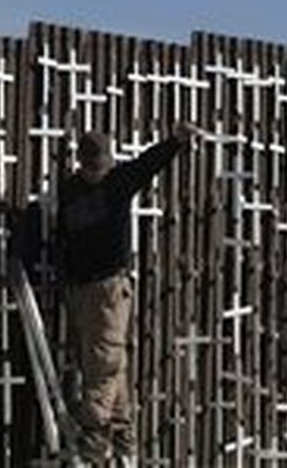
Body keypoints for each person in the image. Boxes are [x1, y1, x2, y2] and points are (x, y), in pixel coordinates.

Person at [58, 122, 196, 466]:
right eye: (90, 168)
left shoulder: (118, 182)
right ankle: (123, 439)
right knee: (102, 363)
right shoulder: (70, 190)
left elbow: (148, 164)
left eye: (100, 167)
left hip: (108, 286)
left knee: (104, 362)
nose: (95, 174)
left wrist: (174, 142)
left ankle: (94, 439)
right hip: (80, 287)